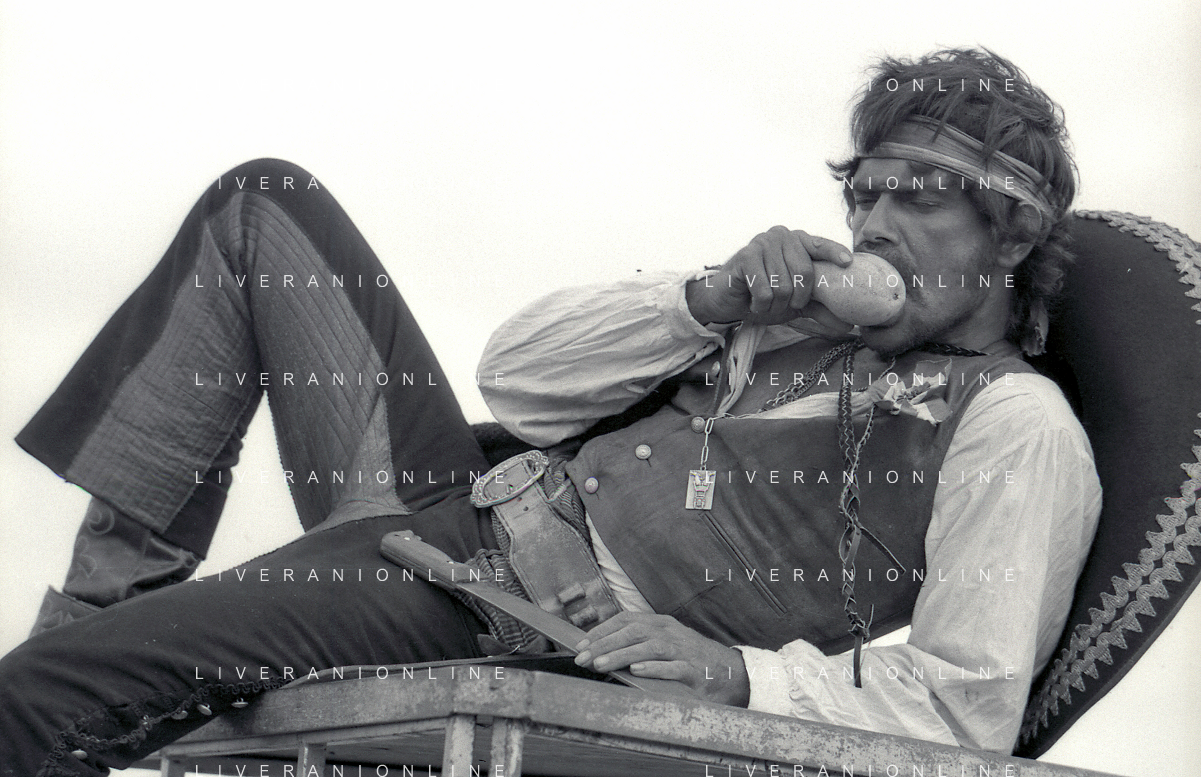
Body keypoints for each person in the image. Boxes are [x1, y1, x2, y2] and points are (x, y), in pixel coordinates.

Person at [0, 47, 1100, 775]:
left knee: (40, 697)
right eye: (863, 190)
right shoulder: (789, 314)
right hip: (459, 500)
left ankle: (80, 659)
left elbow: (963, 709)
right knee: (262, 207)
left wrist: (736, 674)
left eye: (919, 196)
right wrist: (706, 298)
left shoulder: (1014, 426)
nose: (873, 222)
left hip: (515, 614)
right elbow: (515, 377)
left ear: (1010, 234)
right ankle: (107, 601)